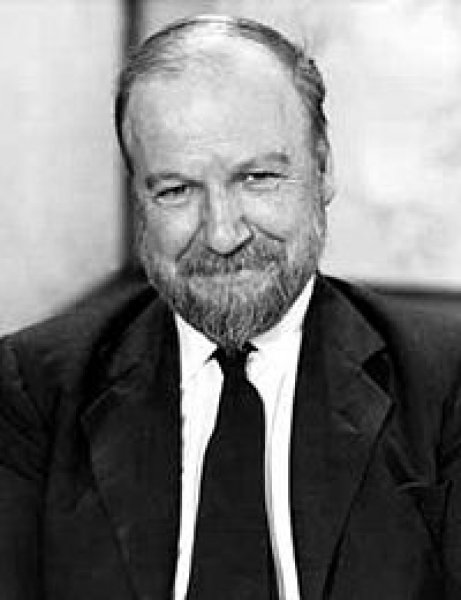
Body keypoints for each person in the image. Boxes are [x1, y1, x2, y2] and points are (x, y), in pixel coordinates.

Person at [1, 14, 461, 600]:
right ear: (138, 199)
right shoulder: (34, 391)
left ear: (323, 170)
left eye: (258, 178)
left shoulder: (444, 385)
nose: (222, 233)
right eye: (176, 190)